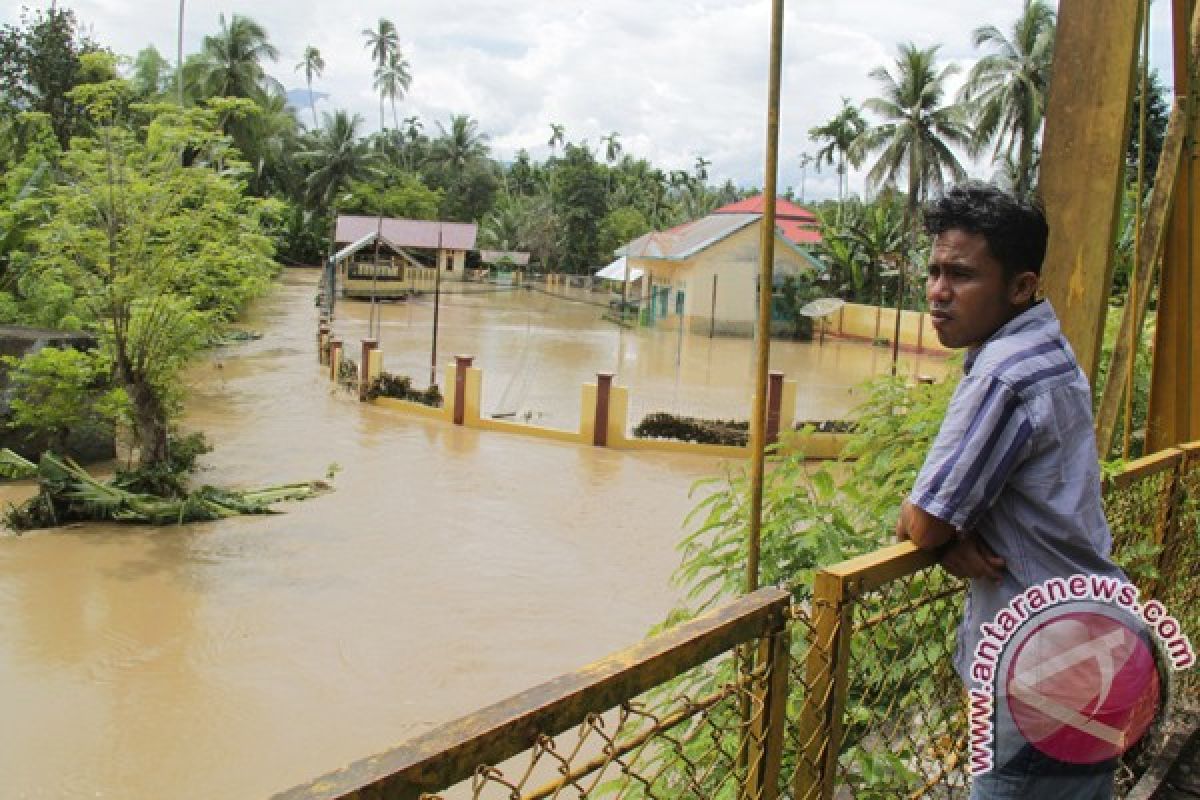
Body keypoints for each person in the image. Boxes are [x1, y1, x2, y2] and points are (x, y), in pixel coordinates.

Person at [895, 183, 1127, 799]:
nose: (938, 292)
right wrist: (953, 532)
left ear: (1021, 287)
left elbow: (922, 524)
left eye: (961, 275)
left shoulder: (1005, 371)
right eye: (935, 271)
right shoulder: (1048, 349)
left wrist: (940, 535)